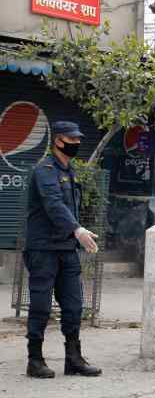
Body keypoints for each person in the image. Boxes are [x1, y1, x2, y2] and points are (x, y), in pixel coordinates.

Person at [24, 121, 102, 379]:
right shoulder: (44, 171)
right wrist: (77, 230)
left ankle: (74, 359)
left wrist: (76, 233)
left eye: (78, 140)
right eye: (72, 140)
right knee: (41, 306)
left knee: (73, 305)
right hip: (43, 249)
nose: (77, 144)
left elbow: (68, 208)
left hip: (66, 249)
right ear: (58, 140)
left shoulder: (69, 171)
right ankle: (34, 360)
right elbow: (53, 204)